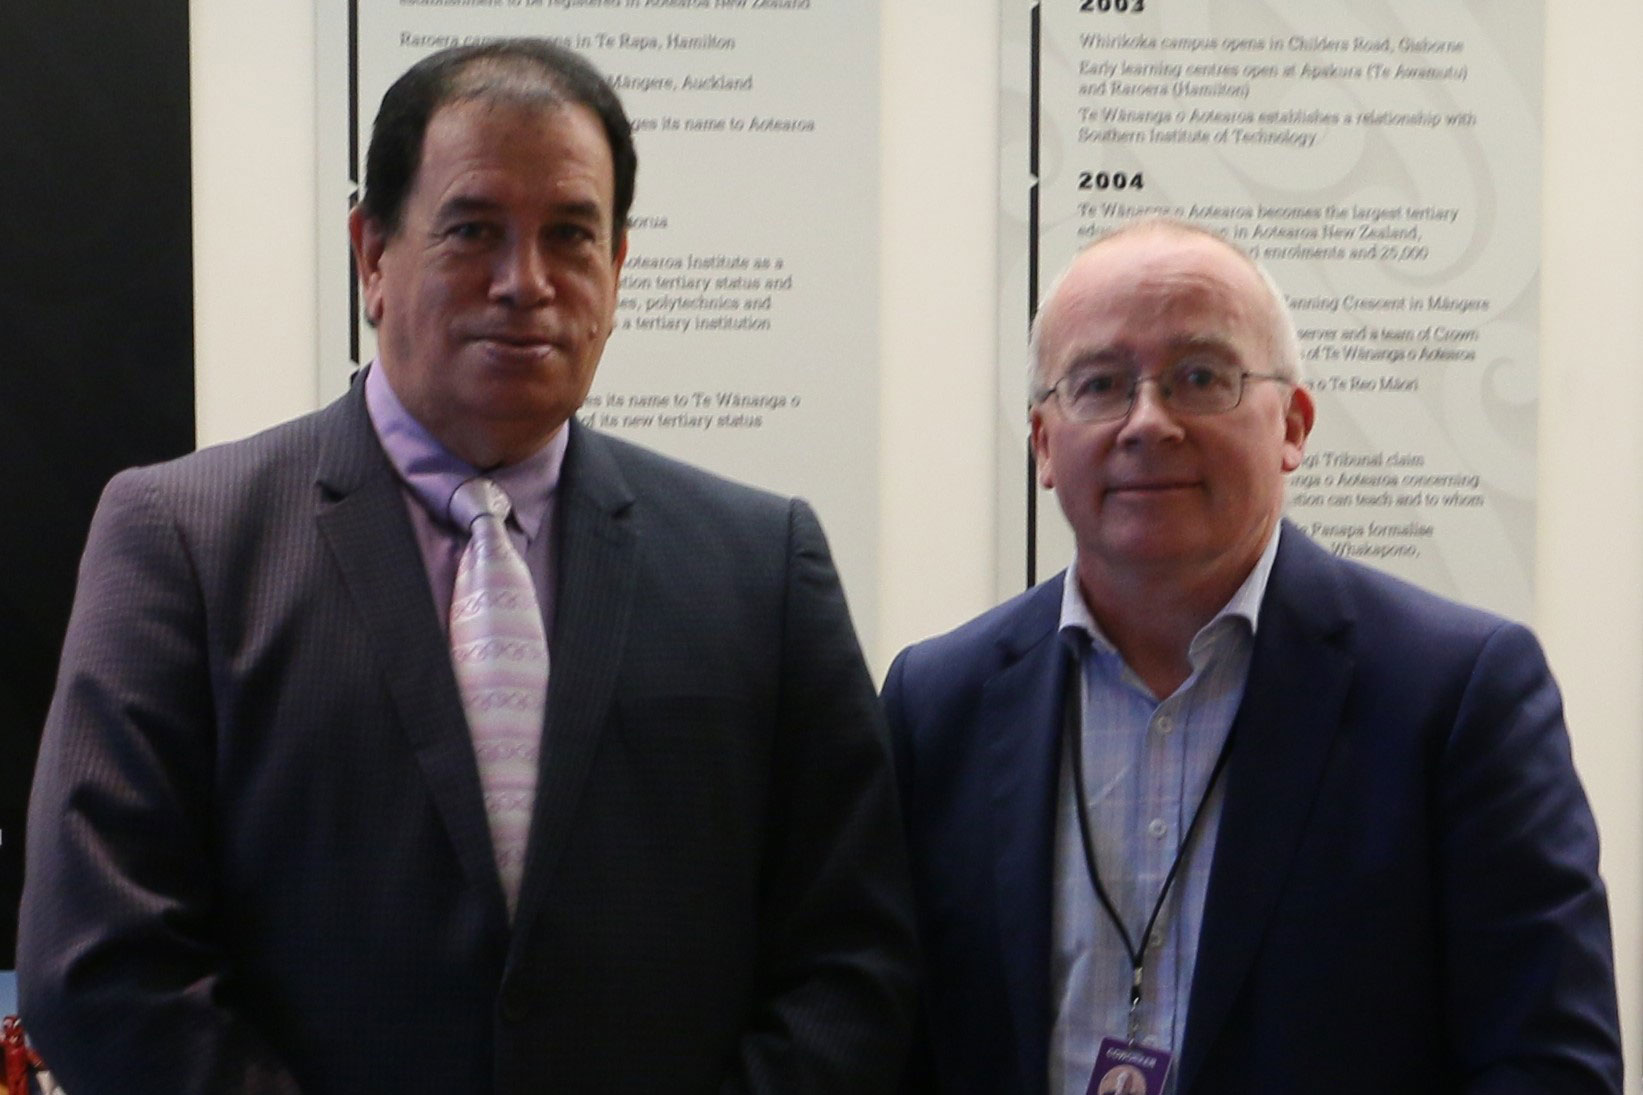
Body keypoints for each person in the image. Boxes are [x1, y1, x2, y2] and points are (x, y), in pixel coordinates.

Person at [19, 39, 916, 1094]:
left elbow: (855, 962)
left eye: (570, 235)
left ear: (618, 267)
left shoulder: (759, 566)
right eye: (472, 229)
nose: (524, 283)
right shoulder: (186, 541)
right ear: (371, 255)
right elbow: (102, 965)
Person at [883, 218, 1622, 1093]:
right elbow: (892, 1037)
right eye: (1099, 384)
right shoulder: (937, 702)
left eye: (1200, 376)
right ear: (1044, 440)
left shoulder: (1457, 694)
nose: (1147, 422)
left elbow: (1546, 1063)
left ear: (1292, 426)